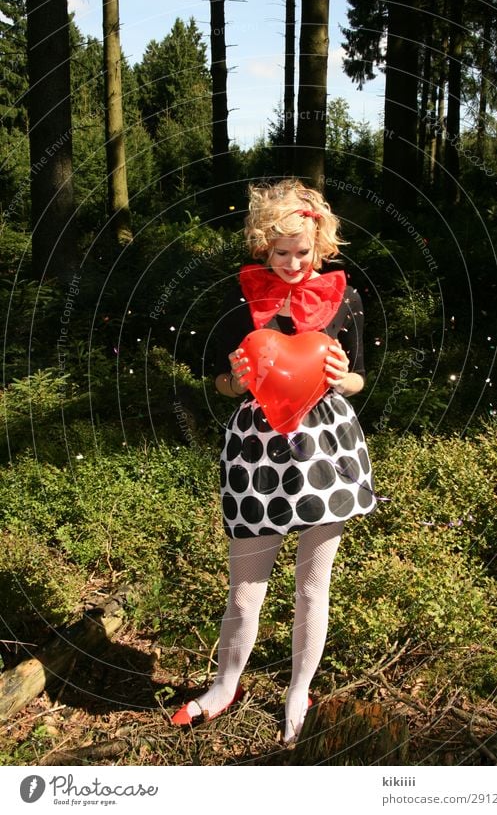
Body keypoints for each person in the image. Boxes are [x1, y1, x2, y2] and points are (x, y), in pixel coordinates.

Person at [171, 179, 376, 742]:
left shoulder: (345, 297)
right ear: (263, 245)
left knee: (314, 585)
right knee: (245, 587)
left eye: (302, 252)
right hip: (257, 454)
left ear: (320, 245)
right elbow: (216, 380)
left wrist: (344, 379)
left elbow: (358, 376)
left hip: (324, 449)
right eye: (280, 252)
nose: (291, 263)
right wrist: (232, 383)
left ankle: (298, 690)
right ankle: (224, 684)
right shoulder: (238, 299)